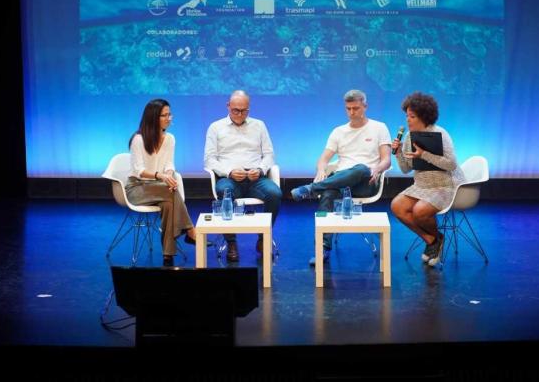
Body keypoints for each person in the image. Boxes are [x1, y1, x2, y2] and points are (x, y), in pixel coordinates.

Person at [291, 89, 391, 265]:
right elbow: (323, 159)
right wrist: (321, 170)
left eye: (356, 108)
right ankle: (323, 248)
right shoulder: (338, 131)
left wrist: (378, 168)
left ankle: (310, 189)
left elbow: (387, 160)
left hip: (366, 181)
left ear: (365, 107)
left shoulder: (379, 127)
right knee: (328, 193)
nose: (352, 112)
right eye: (348, 109)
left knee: (361, 169)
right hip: (341, 181)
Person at [204, 90, 282, 262]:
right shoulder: (215, 127)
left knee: (275, 193)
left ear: (249, 108)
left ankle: (263, 237)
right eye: (235, 110)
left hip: (256, 178)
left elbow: (269, 155)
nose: (239, 114)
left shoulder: (259, 125)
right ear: (228, 106)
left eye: (244, 111)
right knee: (224, 191)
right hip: (229, 178)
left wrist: (260, 169)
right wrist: (229, 172)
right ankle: (231, 242)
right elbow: (209, 160)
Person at [390, 92, 463, 267]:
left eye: (412, 116)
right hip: (422, 185)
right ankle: (433, 240)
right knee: (397, 206)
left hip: (445, 185)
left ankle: (434, 242)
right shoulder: (409, 136)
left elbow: (451, 164)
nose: (408, 120)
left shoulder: (440, 133)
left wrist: (424, 154)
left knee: (419, 211)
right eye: (407, 116)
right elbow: (406, 169)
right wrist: (398, 153)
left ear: (424, 117)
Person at [126, 99, 196, 267]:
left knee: (168, 204)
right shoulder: (138, 139)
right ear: (153, 117)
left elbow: (169, 164)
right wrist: (161, 176)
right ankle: (190, 231)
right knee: (169, 191)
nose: (169, 118)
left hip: (160, 189)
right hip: (137, 187)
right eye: (164, 115)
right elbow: (139, 170)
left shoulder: (170, 138)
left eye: (169, 114)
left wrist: (169, 175)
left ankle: (168, 255)